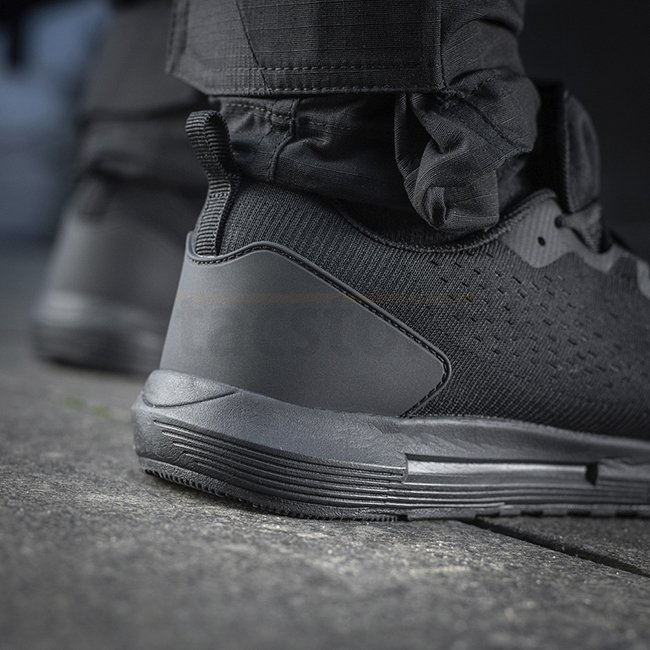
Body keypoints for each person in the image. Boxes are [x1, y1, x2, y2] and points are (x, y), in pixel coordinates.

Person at [41, 0, 650, 518]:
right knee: (339, 124)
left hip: (216, 199)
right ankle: (370, 195)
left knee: (241, 124)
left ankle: (147, 166)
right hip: (392, 251)